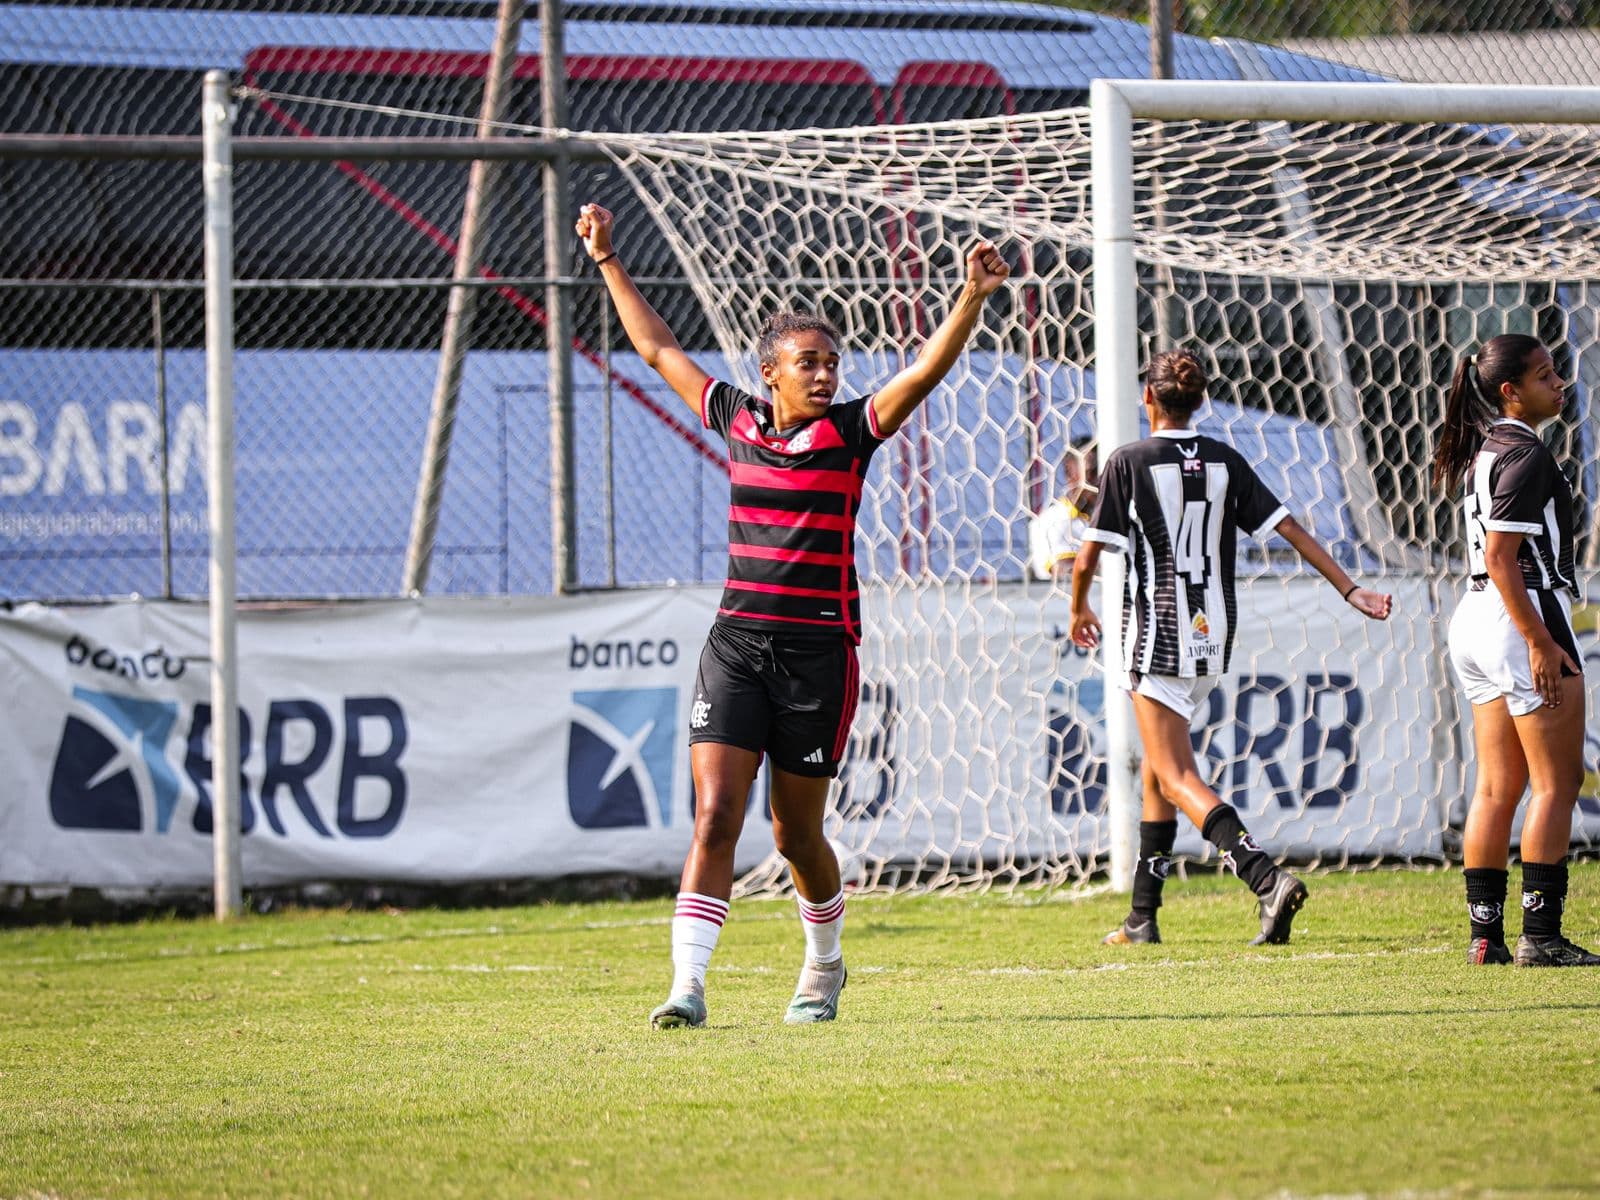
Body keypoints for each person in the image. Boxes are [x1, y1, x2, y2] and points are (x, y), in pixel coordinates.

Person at [575, 202, 1010, 1027]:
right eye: (807, 363)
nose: (824, 375)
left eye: (832, 362)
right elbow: (658, 347)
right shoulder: (736, 419)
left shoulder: (852, 433)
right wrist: (606, 260)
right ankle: (687, 989)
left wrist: (970, 299)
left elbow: (919, 375)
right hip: (736, 645)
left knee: (792, 837)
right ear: (768, 372)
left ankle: (825, 965)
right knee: (714, 816)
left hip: (818, 654)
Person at [1070, 349, 1393, 945]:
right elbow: (1290, 526)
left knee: (1174, 773)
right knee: (1157, 775)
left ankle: (1265, 878)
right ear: (1200, 401)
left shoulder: (1128, 460)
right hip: (1211, 634)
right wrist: (1351, 589)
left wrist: (1077, 607)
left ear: (1148, 399)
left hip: (1156, 633)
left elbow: (1089, 555)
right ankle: (1142, 917)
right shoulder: (1223, 460)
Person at [1434, 334, 1598, 967]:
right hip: (1520, 614)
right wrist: (1538, 641)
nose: (1559, 384)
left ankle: (1485, 937)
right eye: (1544, 375)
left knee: (1498, 786)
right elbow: (1505, 559)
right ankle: (1542, 936)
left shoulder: (1485, 452)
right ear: (1511, 392)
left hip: (1474, 617)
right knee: (1558, 783)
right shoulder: (1526, 456)